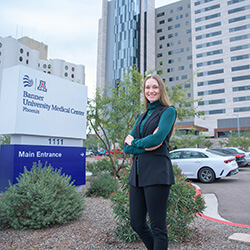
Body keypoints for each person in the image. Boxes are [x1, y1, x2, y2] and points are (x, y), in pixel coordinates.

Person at [124, 74, 177, 250]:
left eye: (154, 87)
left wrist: (137, 142)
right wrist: (144, 144)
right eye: (147, 87)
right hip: (137, 176)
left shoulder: (168, 111)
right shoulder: (142, 116)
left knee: (158, 227)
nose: (151, 91)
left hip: (157, 174)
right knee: (137, 223)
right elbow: (126, 147)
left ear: (161, 89)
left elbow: (158, 139)